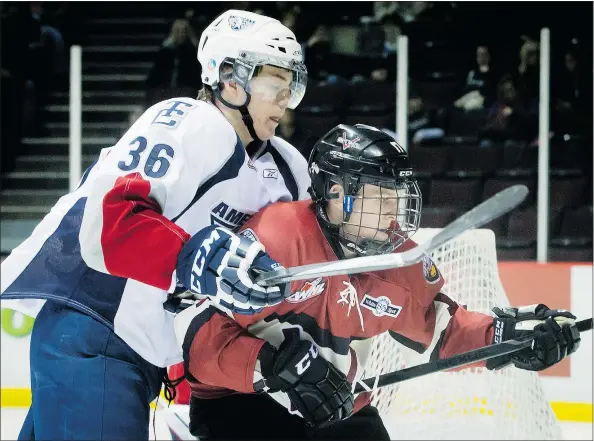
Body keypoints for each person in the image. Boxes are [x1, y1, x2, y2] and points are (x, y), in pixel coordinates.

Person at [1, 9, 310, 440]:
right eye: (275, 82)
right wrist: (196, 256)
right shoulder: (189, 120)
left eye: (292, 85)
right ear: (231, 78)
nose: (284, 97)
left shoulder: (288, 168)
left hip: (141, 354)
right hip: (95, 330)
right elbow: (111, 222)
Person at [174, 123, 582, 440]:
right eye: (381, 196)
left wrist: (507, 338)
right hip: (244, 402)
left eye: (399, 196)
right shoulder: (276, 238)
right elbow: (197, 336)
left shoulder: (398, 260)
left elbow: (441, 328)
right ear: (336, 193)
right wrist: (274, 365)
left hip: (335, 401)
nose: (395, 211)